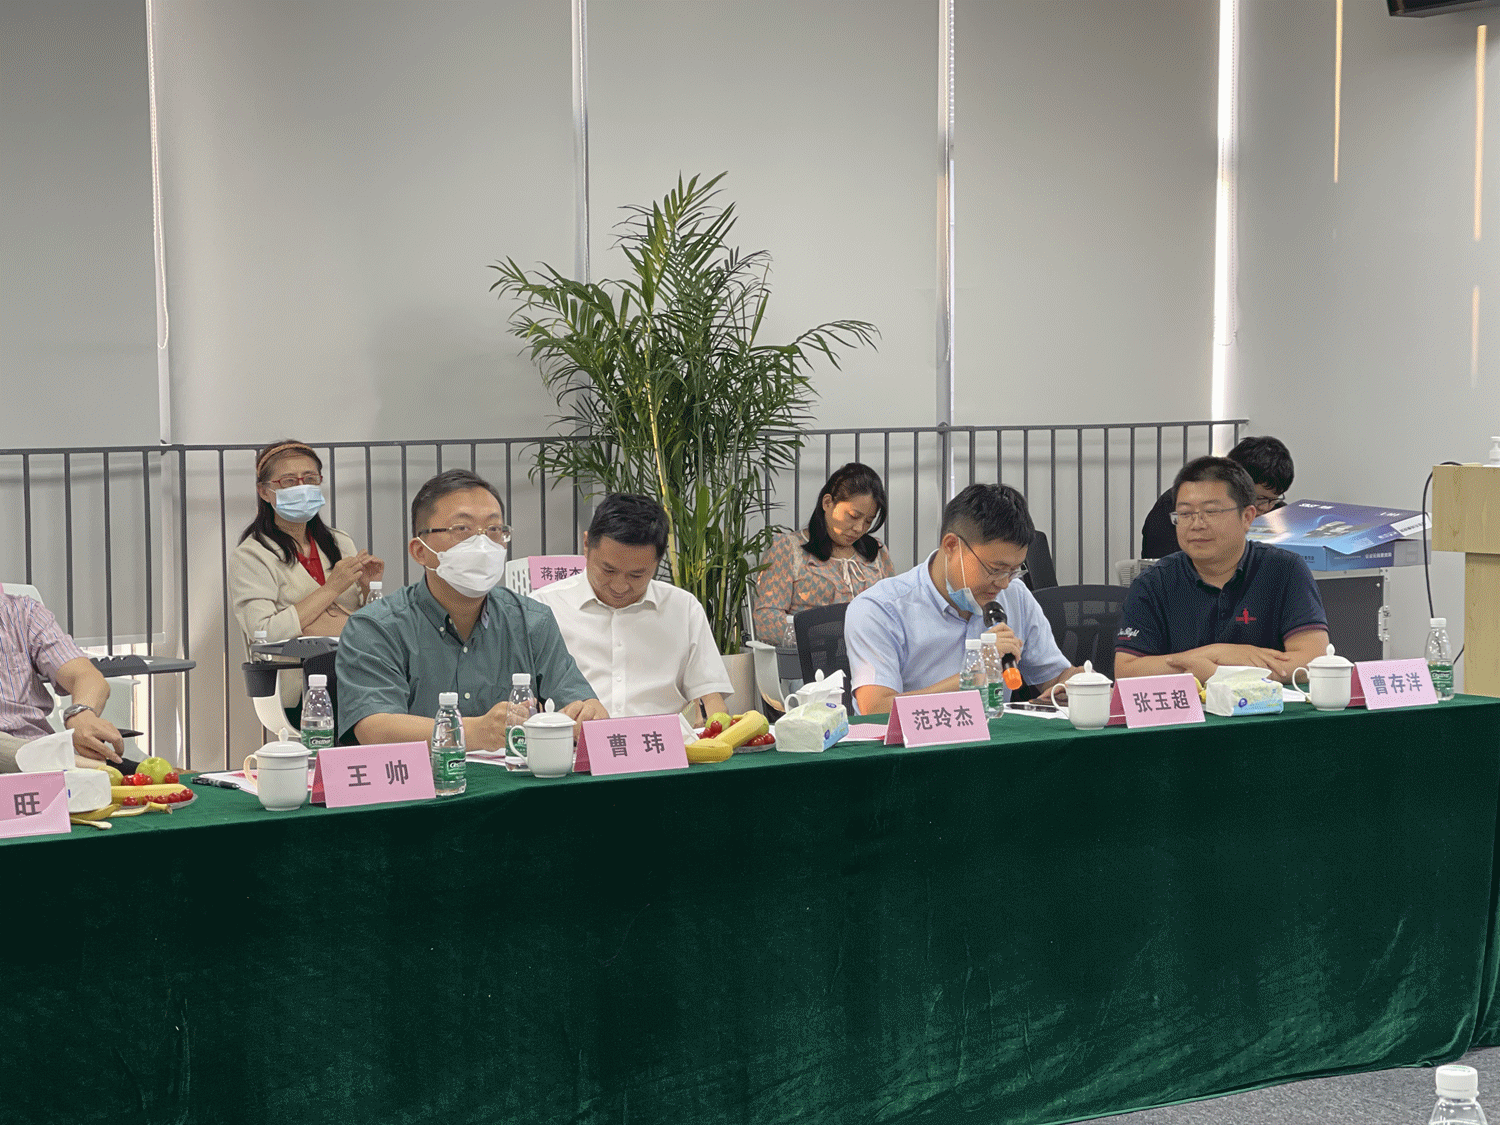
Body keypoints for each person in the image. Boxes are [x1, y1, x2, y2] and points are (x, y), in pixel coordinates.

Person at [336, 469, 606, 747]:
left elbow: (581, 703)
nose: (482, 543)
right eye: (462, 529)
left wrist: (588, 714)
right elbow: (374, 727)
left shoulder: (532, 620)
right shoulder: (376, 627)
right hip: (423, 775)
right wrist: (471, 732)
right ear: (420, 551)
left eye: (494, 530)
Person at [846, 483, 1081, 717]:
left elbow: (1057, 678)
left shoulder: (1015, 595)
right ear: (951, 546)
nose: (1003, 584)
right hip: (913, 740)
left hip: (995, 738)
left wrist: (1080, 683)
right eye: (995, 569)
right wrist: (974, 673)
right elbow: (875, 710)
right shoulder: (880, 609)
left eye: (1013, 571)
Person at [1115, 456, 1329, 684]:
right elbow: (1127, 670)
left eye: (1211, 512)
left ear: (1247, 517)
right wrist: (1216, 653)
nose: (1197, 524)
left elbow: (1312, 660)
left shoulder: (1285, 570)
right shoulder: (1153, 583)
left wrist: (1215, 672)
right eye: (1185, 514)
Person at [531, 494, 733, 720]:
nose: (619, 586)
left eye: (636, 575)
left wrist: (710, 717)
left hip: (663, 740)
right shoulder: (542, 608)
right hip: (572, 739)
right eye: (608, 570)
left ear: (658, 561)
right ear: (586, 545)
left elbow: (710, 700)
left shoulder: (683, 608)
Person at [229, 439, 384, 646]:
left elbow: (372, 627)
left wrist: (368, 588)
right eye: (289, 481)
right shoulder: (251, 556)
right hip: (296, 665)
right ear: (264, 492)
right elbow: (263, 632)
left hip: (355, 659)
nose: (302, 488)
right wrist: (331, 589)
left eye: (310, 479)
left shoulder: (340, 542)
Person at [753, 462, 895, 646]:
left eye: (868, 521)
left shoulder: (876, 551)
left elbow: (894, 610)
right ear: (828, 503)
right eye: (853, 516)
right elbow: (766, 621)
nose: (859, 528)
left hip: (870, 656)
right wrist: (820, 636)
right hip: (813, 658)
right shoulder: (788, 549)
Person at [0, 589, 125, 772]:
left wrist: (81, 714)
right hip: (49, 762)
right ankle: (91, 768)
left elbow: (86, 675)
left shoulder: (25, 613)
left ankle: (87, 767)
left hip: (46, 757)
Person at [1140, 435, 1294, 560]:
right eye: (1259, 498)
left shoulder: (1274, 510)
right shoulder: (1174, 508)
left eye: (1273, 499)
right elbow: (1165, 571)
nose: (1265, 508)